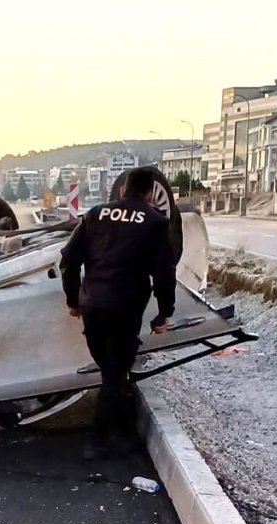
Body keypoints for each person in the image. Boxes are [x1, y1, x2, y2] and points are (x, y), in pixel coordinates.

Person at [59, 167, 176, 461]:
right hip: (125, 308)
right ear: (150, 194)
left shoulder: (96, 214)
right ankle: (97, 441)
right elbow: (164, 273)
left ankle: (123, 431)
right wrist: (164, 312)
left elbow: (68, 260)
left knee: (112, 367)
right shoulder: (156, 222)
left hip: (93, 306)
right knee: (113, 372)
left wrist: (73, 299)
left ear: (123, 190)